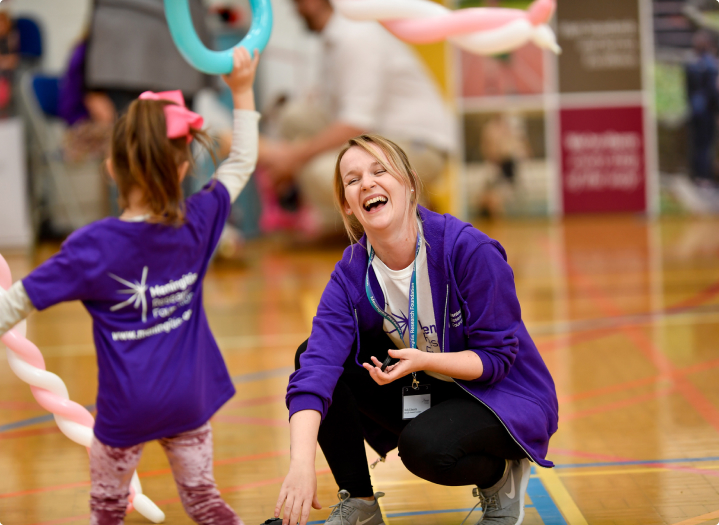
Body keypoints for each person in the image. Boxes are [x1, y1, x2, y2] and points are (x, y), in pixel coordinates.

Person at [0, 48, 260, 524]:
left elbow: (12, 307)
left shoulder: (92, 247)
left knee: (107, 511)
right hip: (189, 401)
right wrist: (242, 90)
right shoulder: (198, 221)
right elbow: (241, 162)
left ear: (112, 166)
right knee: (205, 501)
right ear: (182, 168)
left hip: (126, 412)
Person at [274, 135, 558, 525]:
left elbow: (496, 360)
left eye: (379, 171)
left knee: (425, 449)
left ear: (408, 182)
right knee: (311, 352)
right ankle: (360, 505)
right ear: (347, 205)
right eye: (353, 180)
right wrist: (301, 464)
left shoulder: (468, 250)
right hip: (428, 383)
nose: (368, 184)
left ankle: (500, 478)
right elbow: (316, 369)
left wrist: (425, 359)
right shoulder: (351, 273)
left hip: (501, 394)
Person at [258, 0, 454, 233]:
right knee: (294, 117)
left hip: (420, 143)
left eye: (297, 3)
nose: (296, 10)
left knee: (320, 173)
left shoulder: (356, 36)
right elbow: (339, 117)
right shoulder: (336, 38)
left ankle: (404, 216)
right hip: (383, 135)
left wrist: (293, 157)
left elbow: (355, 123)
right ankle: (391, 214)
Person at [685, 30, 719, 183]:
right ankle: (704, 176)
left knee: (696, 143)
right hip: (707, 110)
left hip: (694, 108)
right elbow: (713, 91)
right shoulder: (711, 65)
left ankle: (696, 174)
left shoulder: (690, 64)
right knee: (705, 144)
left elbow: (687, 89)